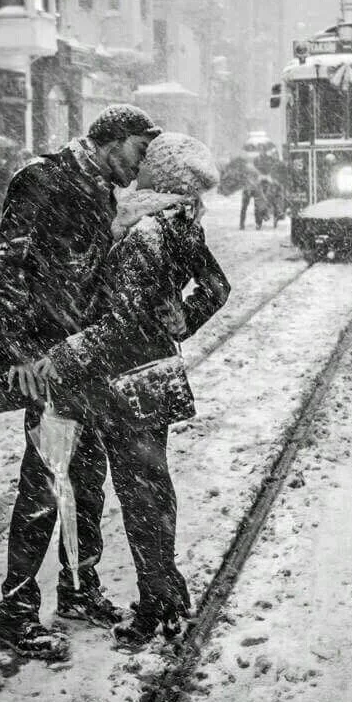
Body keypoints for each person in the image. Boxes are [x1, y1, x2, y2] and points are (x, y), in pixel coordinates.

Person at [31, 132, 231, 649]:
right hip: (154, 377)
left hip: (127, 384)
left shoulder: (144, 231)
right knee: (153, 494)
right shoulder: (180, 223)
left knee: (142, 499)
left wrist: (62, 355)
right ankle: (167, 597)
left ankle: (158, 608)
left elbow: (120, 325)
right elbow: (217, 287)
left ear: (161, 174)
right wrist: (185, 317)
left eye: (148, 162)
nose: (137, 167)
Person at [0, 104, 162, 661]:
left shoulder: (104, 190)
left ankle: (79, 589)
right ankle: (16, 616)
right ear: (112, 140)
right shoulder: (43, 178)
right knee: (43, 486)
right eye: (139, 150)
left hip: (86, 362)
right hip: (45, 362)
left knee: (86, 482)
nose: (141, 165)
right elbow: (6, 263)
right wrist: (19, 348)